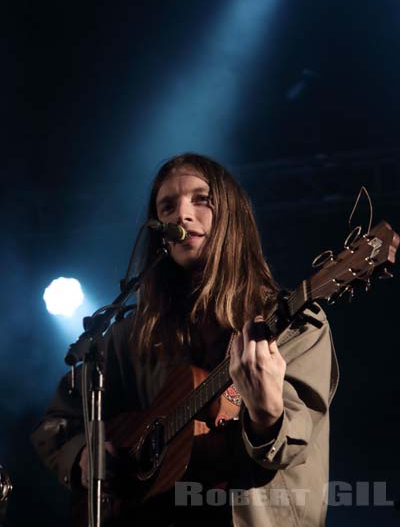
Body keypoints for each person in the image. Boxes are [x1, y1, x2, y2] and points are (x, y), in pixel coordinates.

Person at [32, 152, 339, 526]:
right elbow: (57, 423)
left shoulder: (292, 323)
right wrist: (84, 456)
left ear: (232, 217)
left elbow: (292, 443)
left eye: (201, 199)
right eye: (167, 207)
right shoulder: (130, 336)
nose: (182, 214)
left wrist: (267, 413)